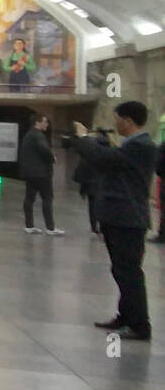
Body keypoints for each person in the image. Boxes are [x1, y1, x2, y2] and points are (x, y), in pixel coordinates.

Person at [75, 101, 158, 341]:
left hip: (129, 219)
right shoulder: (132, 145)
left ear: (129, 121)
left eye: (118, 119)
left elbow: (104, 159)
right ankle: (126, 315)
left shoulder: (141, 146)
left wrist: (83, 139)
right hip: (119, 217)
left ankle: (140, 325)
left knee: (130, 272)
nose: (115, 123)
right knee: (121, 270)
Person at [19, 114, 62, 235]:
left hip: (29, 173)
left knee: (29, 198)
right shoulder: (38, 136)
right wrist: (52, 158)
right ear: (38, 123)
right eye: (45, 122)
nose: (47, 124)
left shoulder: (28, 135)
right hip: (41, 174)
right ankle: (50, 227)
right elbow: (44, 149)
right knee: (47, 198)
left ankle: (29, 225)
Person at [73, 130, 107, 236]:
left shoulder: (90, 153)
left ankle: (94, 227)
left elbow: (82, 170)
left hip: (91, 184)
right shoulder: (107, 152)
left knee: (92, 206)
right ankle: (101, 226)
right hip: (101, 184)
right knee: (101, 206)